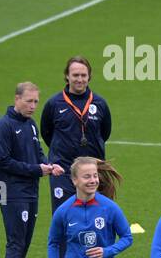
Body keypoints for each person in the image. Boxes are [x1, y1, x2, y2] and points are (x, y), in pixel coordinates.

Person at [0, 81, 63, 258]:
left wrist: (49, 166)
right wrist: (36, 170)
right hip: (10, 191)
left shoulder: (31, 125)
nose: (33, 106)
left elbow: (37, 153)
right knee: (16, 243)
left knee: (23, 243)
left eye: (36, 102)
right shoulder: (3, 126)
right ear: (17, 99)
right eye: (29, 101)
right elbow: (3, 161)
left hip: (29, 191)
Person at [39, 56, 112, 214]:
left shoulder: (100, 104)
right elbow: (47, 133)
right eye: (75, 75)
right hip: (63, 170)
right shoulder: (54, 104)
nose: (80, 79)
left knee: (95, 218)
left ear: (89, 77)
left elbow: (105, 133)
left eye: (83, 75)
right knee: (64, 216)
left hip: (93, 170)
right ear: (67, 76)